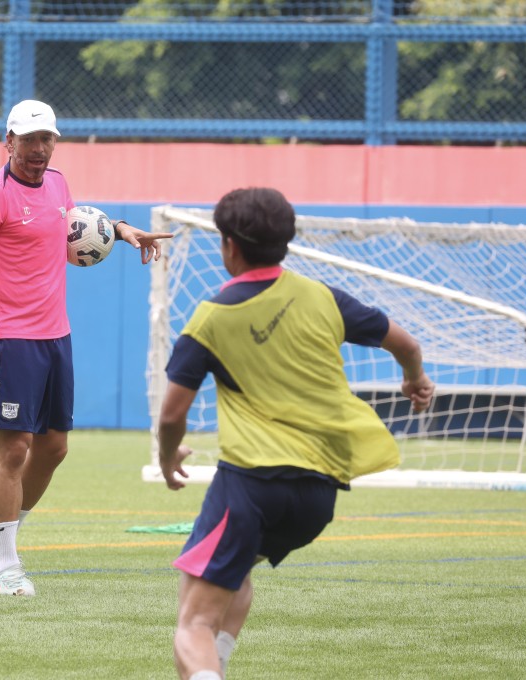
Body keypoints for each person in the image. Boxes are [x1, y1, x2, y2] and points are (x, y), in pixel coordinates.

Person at [156, 187, 435, 680]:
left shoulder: (211, 318)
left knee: (191, 622)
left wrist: (167, 456)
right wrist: (413, 378)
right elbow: (407, 344)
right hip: (317, 498)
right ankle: (215, 667)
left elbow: (172, 414)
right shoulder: (321, 297)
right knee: (235, 573)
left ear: (229, 246)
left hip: (252, 486)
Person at [0, 99, 173, 597]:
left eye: (47, 139)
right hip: (9, 339)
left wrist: (120, 230)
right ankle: (7, 566)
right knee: (14, 448)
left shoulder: (57, 183)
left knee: (53, 448)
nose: (39, 149)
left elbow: (75, 225)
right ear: (8, 142)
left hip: (56, 336)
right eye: (29, 139)